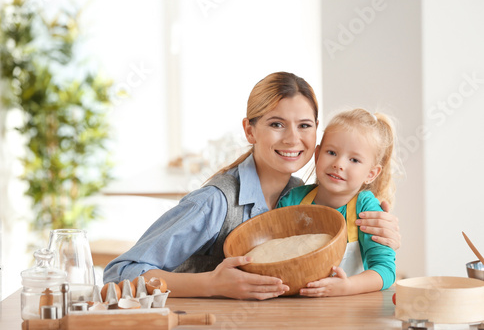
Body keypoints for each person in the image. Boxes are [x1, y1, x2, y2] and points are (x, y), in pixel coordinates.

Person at [103, 72, 401, 300]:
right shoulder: (215, 203)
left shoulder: (301, 194)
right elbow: (119, 275)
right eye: (276, 124)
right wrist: (210, 284)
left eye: (304, 125)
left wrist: (382, 227)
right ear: (250, 130)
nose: (292, 139)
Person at [278, 108, 398, 297]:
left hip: (350, 313)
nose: (339, 164)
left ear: (371, 174)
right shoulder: (292, 200)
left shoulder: (365, 208)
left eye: (354, 159)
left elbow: (385, 271)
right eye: (331, 152)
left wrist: (348, 286)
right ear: (317, 155)